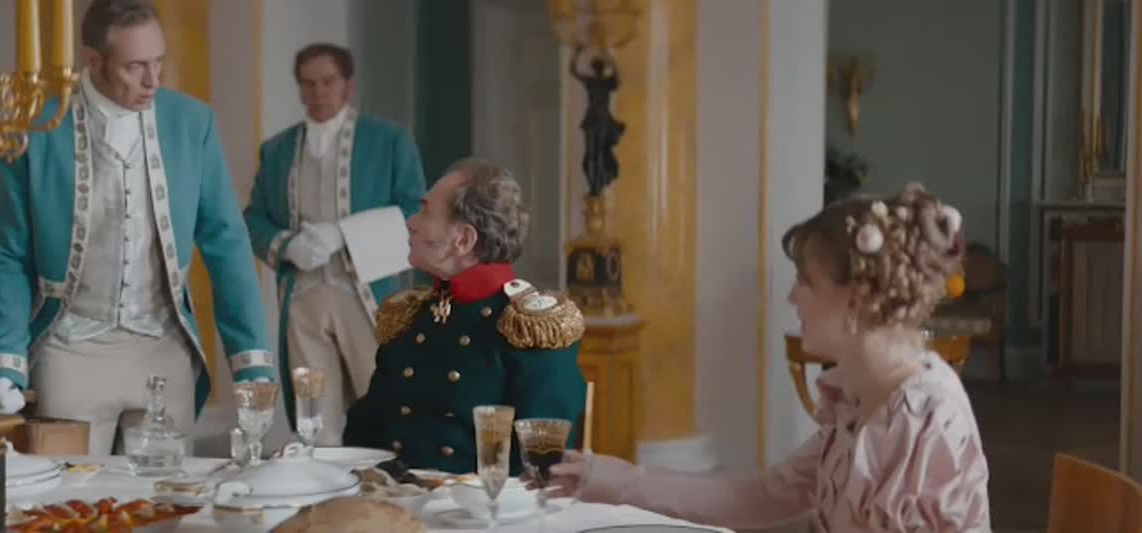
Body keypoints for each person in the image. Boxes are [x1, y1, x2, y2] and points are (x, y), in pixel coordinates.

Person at [542, 183, 990, 532]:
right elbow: (768, 493)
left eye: (806, 282)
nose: (793, 297)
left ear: (858, 299)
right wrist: (614, 479)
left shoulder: (926, 417)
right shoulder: (858, 393)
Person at [0, 0, 275, 454]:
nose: (153, 80)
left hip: (163, 350)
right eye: (135, 66)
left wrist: (252, 362)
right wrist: (7, 360)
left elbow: (228, 243)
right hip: (71, 351)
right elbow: (8, 253)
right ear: (93, 60)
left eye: (159, 62)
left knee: (164, 494)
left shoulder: (191, 123)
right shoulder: (34, 129)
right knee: (68, 494)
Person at [342, 157, 588, 475]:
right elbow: (365, 432)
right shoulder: (412, 316)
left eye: (425, 212)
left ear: (464, 240)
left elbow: (542, 466)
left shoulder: (530, 327)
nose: (411, 222)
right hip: (395, 498)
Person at [244, 43, 426, 445]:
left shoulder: (388, 140)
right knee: (314, 420)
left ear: (348, 84)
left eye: (328, 81)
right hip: (302, 299)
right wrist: (286, 245)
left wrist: (344, 233)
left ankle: (386, 484)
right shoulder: (276, 150)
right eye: (308, 84)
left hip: (367, 295)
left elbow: (416, 208)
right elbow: (253, 218)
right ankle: (322, 483)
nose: (318, 92)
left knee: (384, 404)